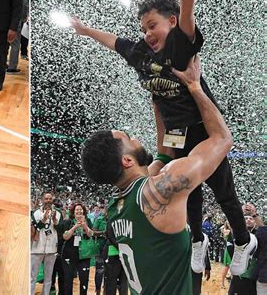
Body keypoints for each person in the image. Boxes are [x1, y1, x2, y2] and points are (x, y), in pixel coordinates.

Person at [72, 0, 256, 276]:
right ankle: (198, 239)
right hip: (176, 134)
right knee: (190, 193)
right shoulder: (142, 56)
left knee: (224, 195)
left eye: (152, 25)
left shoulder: (179, 44)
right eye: (143, 28)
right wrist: (84, 30)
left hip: (204, 129)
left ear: (171, 22)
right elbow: (115, 41)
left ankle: (243, 240)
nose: (147, 34)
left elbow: (187, 10)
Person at [81, 56, 233, 294]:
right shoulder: (161, 189)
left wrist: (159, 102)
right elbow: (222, 139)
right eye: (129, 139)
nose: (136, 138)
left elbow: (164, 154)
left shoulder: (116, 204)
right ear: (127, 160)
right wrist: (195, 86)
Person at [31, 192, 61, 295]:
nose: (48, 201)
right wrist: (43, 219)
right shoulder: (36, 213)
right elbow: (35, 228)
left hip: (51, 249)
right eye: (46, 199)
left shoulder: (58, 213)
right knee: (32, 277)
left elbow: (59, 228)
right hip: (36, 248)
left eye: (50, 199)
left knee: (48, 278)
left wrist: (54, 219)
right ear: (42, 200)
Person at [61, 202, 94, 295]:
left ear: (83, 211)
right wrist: (75, 227)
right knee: (68, 279)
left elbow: (91, 234)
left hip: (84, 254)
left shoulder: (88, 221)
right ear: (73, 212)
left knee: (84, 279)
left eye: (80, 209)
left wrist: (84, 226)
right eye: (77, 210)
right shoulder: (68, 221)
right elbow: (65, 237)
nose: (79, 211)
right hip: (69, 254)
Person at [228, 215, 258, 294]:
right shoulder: (234, 234)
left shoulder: (259, 235)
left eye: (251, 218)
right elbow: (230, 249)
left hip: (253, 276)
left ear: (255, 222)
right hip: (239, 275)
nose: (248, 220)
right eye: (246, 218)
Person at [6, 0, 28, 74]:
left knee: (7, 43)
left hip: (7, 18)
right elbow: (23, 5)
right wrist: (23, 19)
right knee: (15, 44)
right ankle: (12, 67)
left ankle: (4, 63)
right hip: (16, 19)